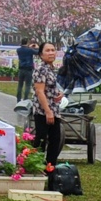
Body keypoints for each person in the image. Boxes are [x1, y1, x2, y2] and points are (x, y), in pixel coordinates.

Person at [32, 41, 63, 169]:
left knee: (55, 141)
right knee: (41, 140)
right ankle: (35, 167)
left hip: (54, 109)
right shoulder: (41, 69)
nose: (51, 53)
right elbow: (39, 91)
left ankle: (50, 168)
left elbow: (52, 88)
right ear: (41, 54)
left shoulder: (52, 69)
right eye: (47, 51)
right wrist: (48, 111)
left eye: (53, 50)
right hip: (42, 111)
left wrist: (60, 94)